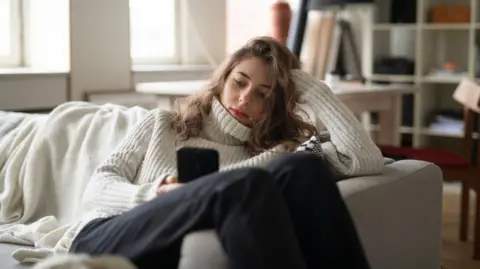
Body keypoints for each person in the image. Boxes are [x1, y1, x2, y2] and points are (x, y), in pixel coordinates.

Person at [67, 36, 384, 269]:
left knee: (301, 165)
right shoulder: (161, 124)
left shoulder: (277, 153)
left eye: (263, 94)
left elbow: (366, 160)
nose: (245, 99)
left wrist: (313, 89)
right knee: (244, 183)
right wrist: (158, 193)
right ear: (222, 80)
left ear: (276, 105)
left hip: (171, 247)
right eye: (239, 82)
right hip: (106, 236)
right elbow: (96, 190)